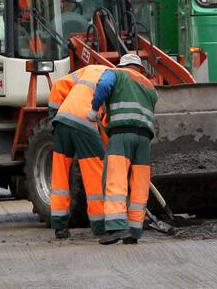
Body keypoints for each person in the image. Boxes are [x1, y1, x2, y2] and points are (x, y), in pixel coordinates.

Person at [88, 53, 158, 245]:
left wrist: (94, 109)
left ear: (122, 65)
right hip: (144, 138)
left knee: (115, 179)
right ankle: (134, 230)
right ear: (140, 69)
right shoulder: (149, 86)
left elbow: (103, 86)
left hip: (121, 134)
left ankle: (117, 227)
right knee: (140, 183)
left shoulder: (116, 73)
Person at [47, 64, 108, 240]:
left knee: (60, 174)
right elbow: (106, 122)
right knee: (96, 173)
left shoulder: (89, 70)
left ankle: (59, 226)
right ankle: (100, 225)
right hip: (85, 122)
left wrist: (53, 115)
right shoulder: (115, 79)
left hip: (62, 120)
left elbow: (58, 86)